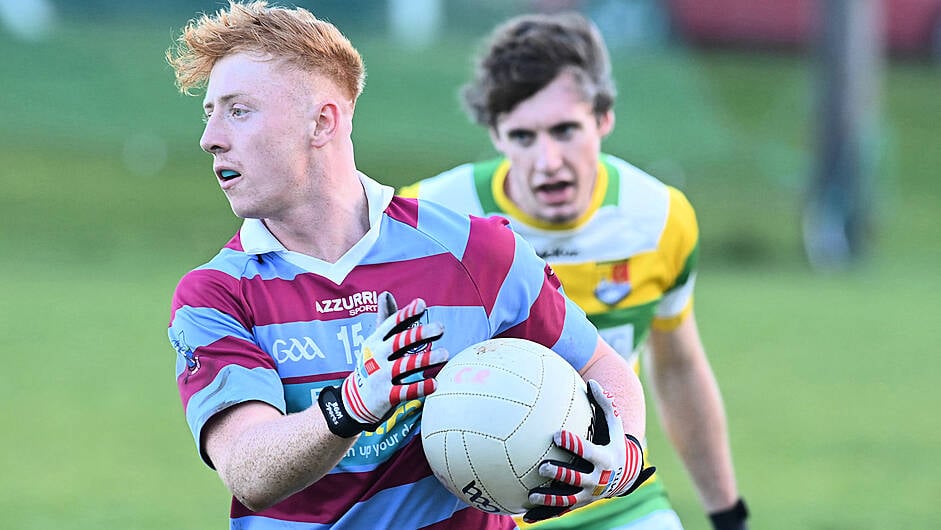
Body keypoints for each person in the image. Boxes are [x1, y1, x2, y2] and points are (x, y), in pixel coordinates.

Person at [165, 2, 655, 529]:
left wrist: (620, 457)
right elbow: (249, 471)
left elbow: (602, 368)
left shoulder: (476, 252)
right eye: (209, 112)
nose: (210, 136)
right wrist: (353, 402)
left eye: (237, 110)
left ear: (322, 121)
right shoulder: (214, 295)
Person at [399, 11, 749, 530]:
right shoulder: (431, 219)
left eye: (566, 130)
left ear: (604, 118)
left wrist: (727, 513)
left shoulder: (658, 218)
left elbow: (677, 367)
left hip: (616, 496)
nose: (548, 161)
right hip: (471, 507)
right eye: (523, 136)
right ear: (495, 133)